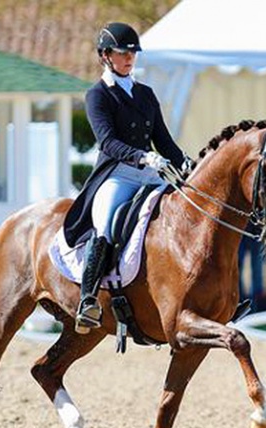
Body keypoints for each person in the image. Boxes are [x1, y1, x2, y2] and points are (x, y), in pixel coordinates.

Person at [62, 22, 193, 333]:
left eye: (132, 53)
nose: (129, 58)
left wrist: (185, 161)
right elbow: (107, 142)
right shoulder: (98, 95)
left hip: (150, 174)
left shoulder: (145, 94)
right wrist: (141, 155)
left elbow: (163, 139)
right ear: (106, 56)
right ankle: (89, 299)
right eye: (123, 53)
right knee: (106, 224)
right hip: (117, 175)